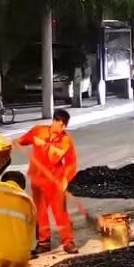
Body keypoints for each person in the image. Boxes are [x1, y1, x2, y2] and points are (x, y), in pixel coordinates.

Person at [18, 108, 79, 253]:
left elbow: (70, 162)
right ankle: (43, 242)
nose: (64, 128)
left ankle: (68, 242)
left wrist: (65, 179)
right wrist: (15, 142)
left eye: (65, 125)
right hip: (37, 179)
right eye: (62, 124)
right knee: (40, 212)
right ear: (55, 121)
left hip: (55, 182)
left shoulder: (65, 140)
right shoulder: (38, 131)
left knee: (60, 213)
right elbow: (23, 140)